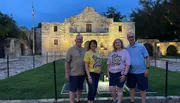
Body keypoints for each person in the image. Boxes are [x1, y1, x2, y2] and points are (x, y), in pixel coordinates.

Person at [126, 32, 150, 103]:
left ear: (134, 37)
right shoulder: (126, 48)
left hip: (142, 72)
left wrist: (147, 68)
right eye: (129, 37)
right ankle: (132, 101)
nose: (131, 38)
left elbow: (147, 57)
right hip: (131, 72)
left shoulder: (141, 46)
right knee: (131, 88)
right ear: (127, 38)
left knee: (142, 89)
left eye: (132, 37)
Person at [107, 38, 131, 103]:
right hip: (112, 72)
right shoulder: (112, 52)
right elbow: (109, 63)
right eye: (116, 43)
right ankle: (114, 100)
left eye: (118, 42)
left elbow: (128, 64)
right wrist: (108, 73)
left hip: (120, 73)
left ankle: (119, 101)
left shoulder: (125, 52)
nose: (117, 44)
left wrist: (124, 74)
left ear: (121, 44)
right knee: (112, 88)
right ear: (114, 45)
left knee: (119, 89)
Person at [65, 35, 87, 103]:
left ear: (82, 41)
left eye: (80, 39)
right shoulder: (70, 50)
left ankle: (78, 100)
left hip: (82, 73)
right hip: (73, 73)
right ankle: (71, 101)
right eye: (78, 39)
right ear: (75, 40)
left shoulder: (85, 50)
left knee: (80, 89)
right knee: (72, 89)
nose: (79, 41)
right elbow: (67, 62)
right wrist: (67, 73)